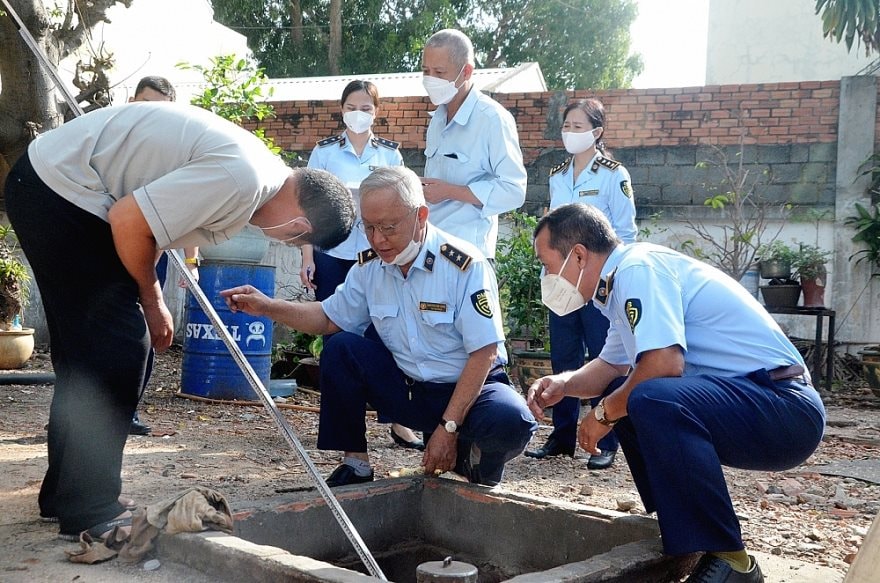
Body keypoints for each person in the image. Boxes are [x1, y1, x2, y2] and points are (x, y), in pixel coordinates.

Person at [4, 101, 355, 542]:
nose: (283, 242)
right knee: (119, 349)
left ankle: (67, 496)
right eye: (294, 240)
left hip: (56, 189)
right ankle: (89, 506)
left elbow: (149, 224)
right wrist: (151, 299)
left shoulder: (257, 176)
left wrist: (147, 295)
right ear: (298, 227)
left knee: (91, 352)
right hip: (62, 193)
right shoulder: (243, 180)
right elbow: (128, 219)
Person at [527, 203, 825, 583]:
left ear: (579, 255)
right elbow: (612, 367)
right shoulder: (617, 288)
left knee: (649, 397)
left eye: (547, 264)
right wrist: (564, 384)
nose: (547, 275)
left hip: (786, 408)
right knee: (629, 393)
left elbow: (664, 366)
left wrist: (602, 414)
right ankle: (683, 533)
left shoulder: (638, 269)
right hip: (756, 402)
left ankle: (732, 562)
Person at [221, 166, 537, 488]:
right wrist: (267, 306)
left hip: (467, 391)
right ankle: (355, 464)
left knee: (512, 419)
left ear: (421, 216)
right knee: (342, 347)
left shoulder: (463, 265)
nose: (379, 239)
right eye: (369, 227)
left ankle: (474, 461)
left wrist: (449, 428)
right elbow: (330, 317)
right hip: (410, 389)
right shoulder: (371, 266)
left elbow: (484, 353)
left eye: (389, 227)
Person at [300, 80, 421, 450]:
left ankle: (399, 419)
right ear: (342, 109)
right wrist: (307, 256)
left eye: (366, 107)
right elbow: (306, 207)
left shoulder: (389, 155)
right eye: (352, 106)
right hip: (333, 251)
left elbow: (407, 203)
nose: (359, 113)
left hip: (379, 253)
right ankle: (341, 427)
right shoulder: (324, 153)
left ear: (377, 112)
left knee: (386, 333)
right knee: (335, 337)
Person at [525, 99, 637, 470]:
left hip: (597, 279)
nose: (570, 132)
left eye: (578, 126)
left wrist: (611, 278)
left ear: (597, 132)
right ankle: (561, 436)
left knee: (604, 356)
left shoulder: (613, 174)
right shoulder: (558, 174)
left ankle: (606, 438)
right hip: (562, 281)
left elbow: (624, 232)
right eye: (567, 126)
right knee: (565, 355)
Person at [126, 75, 200, 436]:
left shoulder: (174, 154)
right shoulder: (112, 138)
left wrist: (191, 263)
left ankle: (129, 409)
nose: (150, 114)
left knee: (146, 332)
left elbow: (189, 213)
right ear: (131, 101)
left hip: (152, 259)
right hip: (104, 251)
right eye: (144, 103)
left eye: (159, 109)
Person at [420, 29, 527, 260]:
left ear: (466, 71)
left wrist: (449, 191)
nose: (430, 80)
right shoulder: (437, 118)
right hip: (432, 244)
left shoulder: (492, 119)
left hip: (469, 254)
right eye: (425, 71)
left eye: (439, 72)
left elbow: (514, 191)